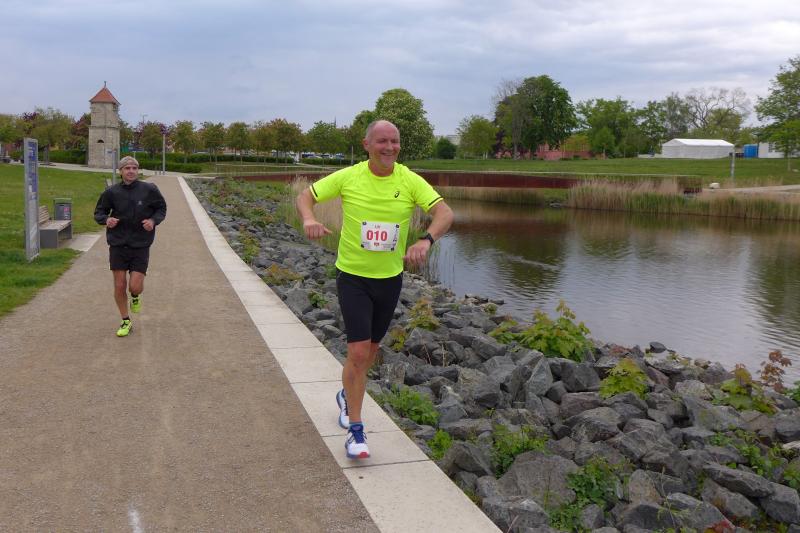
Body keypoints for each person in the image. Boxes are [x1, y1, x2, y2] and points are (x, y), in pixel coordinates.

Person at [296, 120, 454, 458]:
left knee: (368, 353)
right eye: (382, 141)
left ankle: (346, 395)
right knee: (357, 352)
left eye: (394, 141)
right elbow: (306, 196)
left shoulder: (409, 180)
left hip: (390, 279)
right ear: (366, 144)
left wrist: (426, 240)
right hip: (353, 277)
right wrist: (309, 219)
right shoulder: (349, 176)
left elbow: (444, 213)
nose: (389, 147)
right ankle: (356, 431)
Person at [94, 156, 167, 337]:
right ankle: (125, 320)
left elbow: (161, 209)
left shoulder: (149, 189)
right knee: (119, 285)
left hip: (141, 244)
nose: (131, 171)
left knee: (134, 286)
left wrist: (153, 221)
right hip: (118, 243)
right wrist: (106, 220)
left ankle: (135, 296)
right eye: (127, 168)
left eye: (134, 168)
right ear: (120, 171)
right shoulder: (111, 192)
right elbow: (99, 212)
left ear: (138, 170)